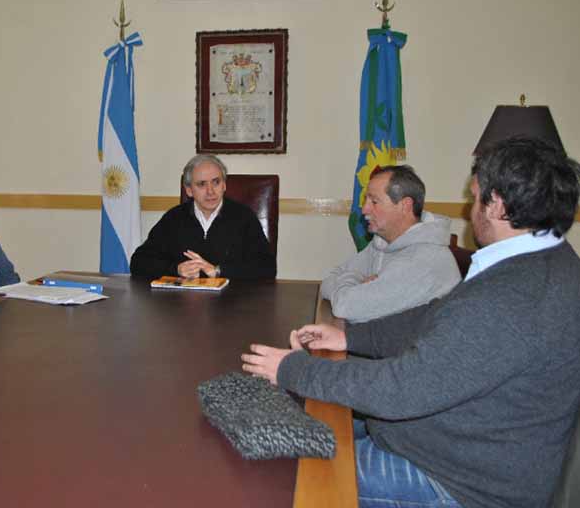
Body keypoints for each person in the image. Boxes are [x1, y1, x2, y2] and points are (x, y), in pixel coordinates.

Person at [242, 137, 580, 508]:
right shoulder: (543, 263)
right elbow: (438, 315)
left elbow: (400, 389)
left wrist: (293, 369)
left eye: (475, 197)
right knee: (301, 425)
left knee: (282, 474)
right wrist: (350, 335)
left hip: (452, 481)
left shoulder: (515, 295)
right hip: (450, 447)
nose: (470, 210)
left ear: (496, 204)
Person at [321, 165, 460, 322]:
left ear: (405, 206)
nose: (364, 209)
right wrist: (358, 282)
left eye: (374, 201)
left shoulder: (426, 260)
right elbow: (327, 281)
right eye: (365, 200)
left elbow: (345, 307)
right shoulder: (382, 242)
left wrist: (353, 284)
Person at [130, 154, 276, 279]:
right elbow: (139, 262)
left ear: (224, 185)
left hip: (231, 305)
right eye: (201, 184)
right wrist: (176, 269)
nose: (210, 191)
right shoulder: (174, 218)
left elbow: (267, 267)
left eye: (216, 182)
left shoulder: (244, 217)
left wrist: (218, 271)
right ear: (189, 190)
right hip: (183, 306)